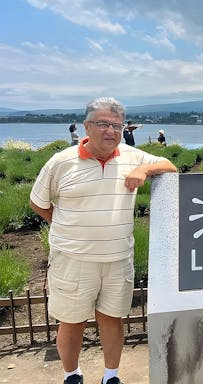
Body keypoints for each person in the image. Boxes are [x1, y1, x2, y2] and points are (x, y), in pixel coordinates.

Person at [29, 97, 177, 384]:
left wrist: (144, 170)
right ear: (86, 126)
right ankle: (72, 375)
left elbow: (169, 166)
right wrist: (62, 225)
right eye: (102, 124)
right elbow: (39, 203)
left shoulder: (132, 155)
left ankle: (111, 376)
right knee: (72, 322)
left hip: (118, 258)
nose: (110, 131)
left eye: (116, 125)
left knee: (112, 320)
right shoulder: (61, 162)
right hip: (73, 258)